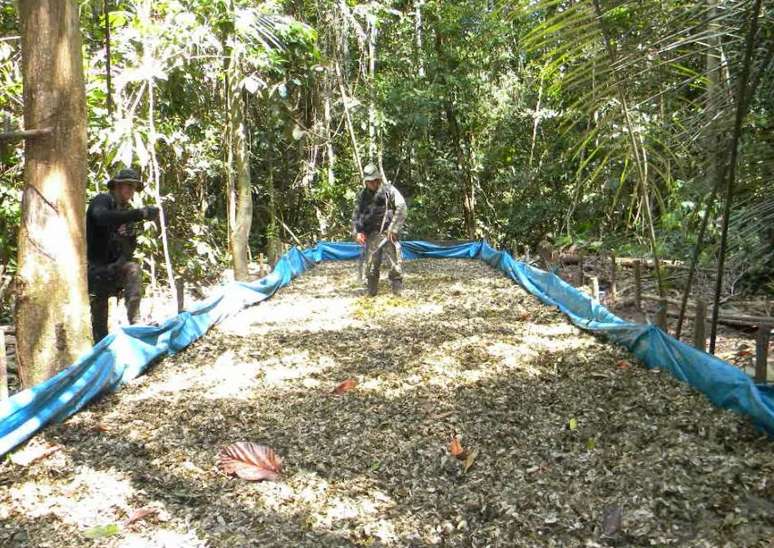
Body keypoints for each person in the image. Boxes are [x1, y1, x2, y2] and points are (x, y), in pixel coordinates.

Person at [86, 168, 159, 343]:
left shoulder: (128, 213)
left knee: (132, 268)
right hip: (92, 270)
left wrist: (121, 258)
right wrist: (138, 214)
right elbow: (100, 217)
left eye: (133, 187)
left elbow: (129, 249)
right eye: (127, 186)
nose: (130, 190)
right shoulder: (102, 201)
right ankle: (100, 345)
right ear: (117, 186)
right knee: (99, 316)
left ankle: (135, 324)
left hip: (113, 269)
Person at [351, 163, 407, 296]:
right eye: (369, 181)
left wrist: (393, 228)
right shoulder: (362, 195)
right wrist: (357, 232)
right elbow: (356, 215)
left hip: (388, 233)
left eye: (373, 181)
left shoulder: (389, 190)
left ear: (378, 180)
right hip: (371, 235)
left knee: (395, 264)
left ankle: (397, 292)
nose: (371, 184)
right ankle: (371, 292)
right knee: (370, 265)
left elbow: (402, 207)